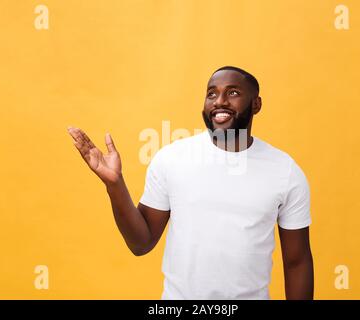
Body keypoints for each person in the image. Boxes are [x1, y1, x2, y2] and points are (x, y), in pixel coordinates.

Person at [67, 66, 314, 300]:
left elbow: (297, 261)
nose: (220, 101)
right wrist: (115, 185)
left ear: (256, 104)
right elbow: (141, 243)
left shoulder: (285, 171)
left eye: (233, 93)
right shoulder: (172, 159)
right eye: (212, 94)